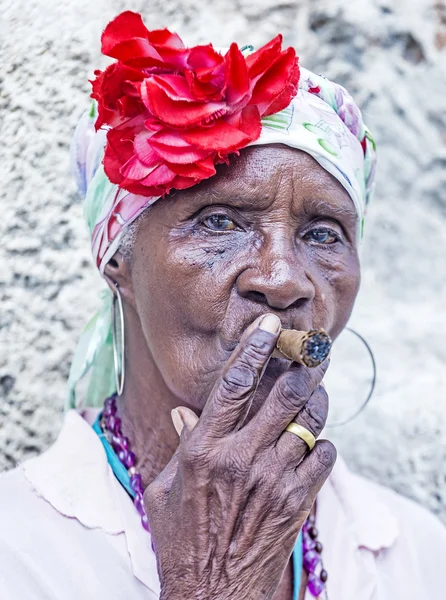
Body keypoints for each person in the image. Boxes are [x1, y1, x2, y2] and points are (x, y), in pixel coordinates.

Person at [0, 10, 445, 600]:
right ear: (118, 262)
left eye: (322, 233)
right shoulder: (21, 551)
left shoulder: (413, 553)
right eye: (218, 222)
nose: (284, 279)